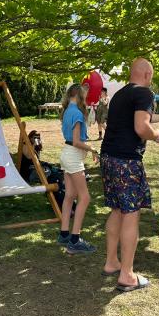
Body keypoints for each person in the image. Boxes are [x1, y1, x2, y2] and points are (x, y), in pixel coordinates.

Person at [100, 58, 159, 292]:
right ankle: (127, 275)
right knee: (131, 214)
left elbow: (129, 123)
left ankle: (112, 262)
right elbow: (141, 127)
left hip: (108, 158)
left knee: (117, 210)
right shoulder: (145, 93)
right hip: (127, 161)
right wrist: (158, 134)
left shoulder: (120, 95)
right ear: (148, 74)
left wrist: (156, 122)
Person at [57, 83, 99, 254]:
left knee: (70, 195)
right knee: (85, 197)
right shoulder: (77, 113)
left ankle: (64, 234)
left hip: (67, 155)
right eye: (85, 94)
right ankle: (74, 240)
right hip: (73, 156)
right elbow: (76, 142)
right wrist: (93, 149)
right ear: (79, 95)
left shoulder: (68, 110)